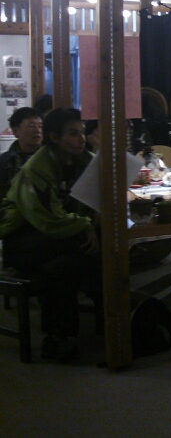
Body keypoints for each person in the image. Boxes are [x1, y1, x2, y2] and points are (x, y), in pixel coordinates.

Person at [0, 108, 101, 361]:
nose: (81, 139)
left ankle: (58, 336)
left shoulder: (86, 160)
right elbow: (47, 219)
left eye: (82, 132)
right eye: (73, 133)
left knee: (65, 264)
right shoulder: (37, 167)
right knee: (84, 245)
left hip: (59, 240)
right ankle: (111, 307)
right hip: (23, 239)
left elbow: (100, 196)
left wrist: (93, 219)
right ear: (54, 137)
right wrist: (85, 227)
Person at [0, 107, 43, 192]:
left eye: (40, 126)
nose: (37, 130)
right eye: (31, 126)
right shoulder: (5, 161)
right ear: (15, 131)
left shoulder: (48, 157)